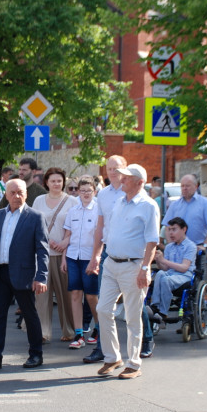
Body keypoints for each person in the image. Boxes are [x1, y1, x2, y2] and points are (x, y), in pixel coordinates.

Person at [92, 164, 159, 379]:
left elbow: (152, 241)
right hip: (111, 262)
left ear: (140, 182)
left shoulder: (148, 205)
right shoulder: (120, 201)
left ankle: (134, 363)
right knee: (103, 309)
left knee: (132, 316)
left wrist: (145, 269)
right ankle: (112, 357)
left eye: (127, 178)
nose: (122, 180)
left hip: (133, 265)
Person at [0, 179, 49, 371]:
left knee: (30, 315)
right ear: (6, 195)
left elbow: (42, 250)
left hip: (24, 274)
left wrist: (41, 276)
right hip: (1, 274)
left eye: (21, 192)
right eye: (13, 192)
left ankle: (35, 354)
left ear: (26, 194)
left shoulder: (35, 217)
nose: (17, 196)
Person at [82, 155, 129, 364]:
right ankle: (102, 348)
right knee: (103, 304)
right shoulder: (103, 195)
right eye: (109, 168)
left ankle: (146, 340)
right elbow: (99, 228)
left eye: (116, 168)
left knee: (132, 302)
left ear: (125, 169)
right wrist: (95, 256)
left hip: (130, 254)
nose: (112, 172)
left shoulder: (132, 192)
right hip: (109, 253)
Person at [32, 167, 78, 343]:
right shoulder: (38, 200)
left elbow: (78, 225)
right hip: (43, 253)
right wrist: (48, 241)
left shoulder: (72, 201)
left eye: (59, 181)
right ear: (46, 182)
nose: (56, 184)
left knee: (65, 294)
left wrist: (65, 242)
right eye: (53, 181)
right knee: (42, 295)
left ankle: (70, 330)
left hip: (65, 254)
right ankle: (42, 331)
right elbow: (34, 223)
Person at [61, 175, 100, 349]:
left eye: (88, 191)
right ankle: (78, 334)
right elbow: (67, 236)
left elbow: (101, 238)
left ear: (94, 191)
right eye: (81, 190)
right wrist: (63, 258)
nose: (85, 194)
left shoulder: (99, 210)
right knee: (75, 294)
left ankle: (98, 327)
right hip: (72, 257)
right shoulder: (73, 211)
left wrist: (96, 259)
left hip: (89, 258)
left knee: (91, 296)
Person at [162, 173, 207, 279]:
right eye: (182, 186)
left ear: (196, 186)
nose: (184, 188)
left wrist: (205, 246)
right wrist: (171, 245)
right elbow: (167, 226)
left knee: (200, 284)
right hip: (179, 252)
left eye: (187, 186)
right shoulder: (174, 205)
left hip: (199, 250)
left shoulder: (205, 203)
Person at [149, 217, 197, 321]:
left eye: (174, 229)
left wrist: (164, 260)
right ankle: (155, 306)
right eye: (169, 230)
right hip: (170, 274)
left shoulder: (191, 246)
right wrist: (158, 260)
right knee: (160, 273)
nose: (171, 233)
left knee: (166, 279)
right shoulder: (169, 247)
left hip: (185, 276)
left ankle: (163, 312)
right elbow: (165, 268)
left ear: (183, 229)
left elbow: (184, 267)